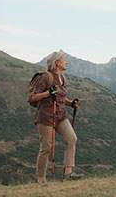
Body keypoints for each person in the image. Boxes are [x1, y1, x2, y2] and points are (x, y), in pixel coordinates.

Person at [31, 52, 82, 183]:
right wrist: (48, 93)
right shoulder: (45, 77)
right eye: (64, 60)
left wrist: (71, 103)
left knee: (72, 138)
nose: (67, 62)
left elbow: (60, 96)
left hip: (60, 115)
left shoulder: (62, 78)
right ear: (57, 63)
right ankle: (41, 179)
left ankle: (68, 172)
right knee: (46, 147)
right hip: (46, 116)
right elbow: (34, 97)